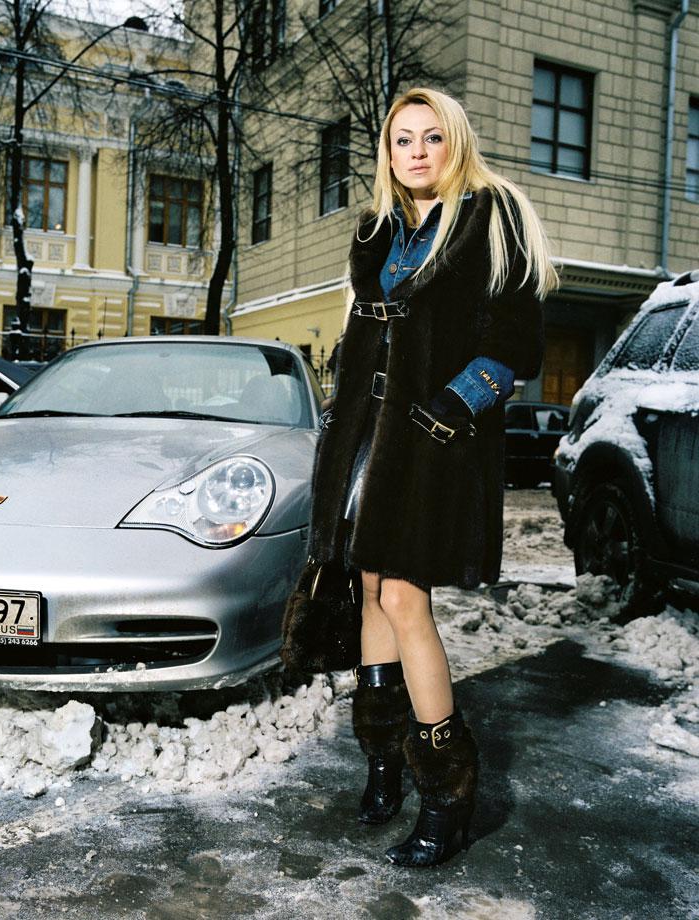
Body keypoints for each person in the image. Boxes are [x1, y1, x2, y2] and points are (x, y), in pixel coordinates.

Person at [281, 87, 559, 868]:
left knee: (404, 595)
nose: (416, 151)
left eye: (431, 137)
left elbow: (516, 343)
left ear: (454, 140)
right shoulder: (376, 231)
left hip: (430, 441)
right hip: (363, 441)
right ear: (388, 153)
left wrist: (448, 411)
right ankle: (382, 761)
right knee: (367, 588)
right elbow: (357, 339)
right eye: (402, 139)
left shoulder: (489, 216)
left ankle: (446, 789)